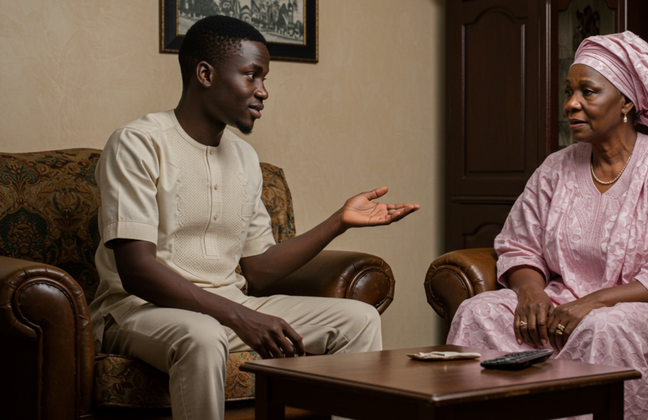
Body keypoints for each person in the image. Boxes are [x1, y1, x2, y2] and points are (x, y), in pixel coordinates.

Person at [88, 15, 419, 420]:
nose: (263, 91)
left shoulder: (245, 157)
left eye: (264, 79)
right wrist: (240, 316)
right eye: (251, 75)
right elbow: (137, 271)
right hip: (140, 310)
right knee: (203, 335)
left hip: (229, 305)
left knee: (359, 319)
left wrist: (339, 221)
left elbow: (258, 270)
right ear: (205, 74)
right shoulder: (138, 143)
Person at [447, 31, 648, 420]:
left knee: (603, 327)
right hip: (564, 300)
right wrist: (531, 292)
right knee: (478, 312)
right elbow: (519, 244)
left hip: (647, 307)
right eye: (569, 91)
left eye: (588, 92)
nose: (571, 103)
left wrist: (595, 301)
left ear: (626, 101)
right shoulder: (556, 167)